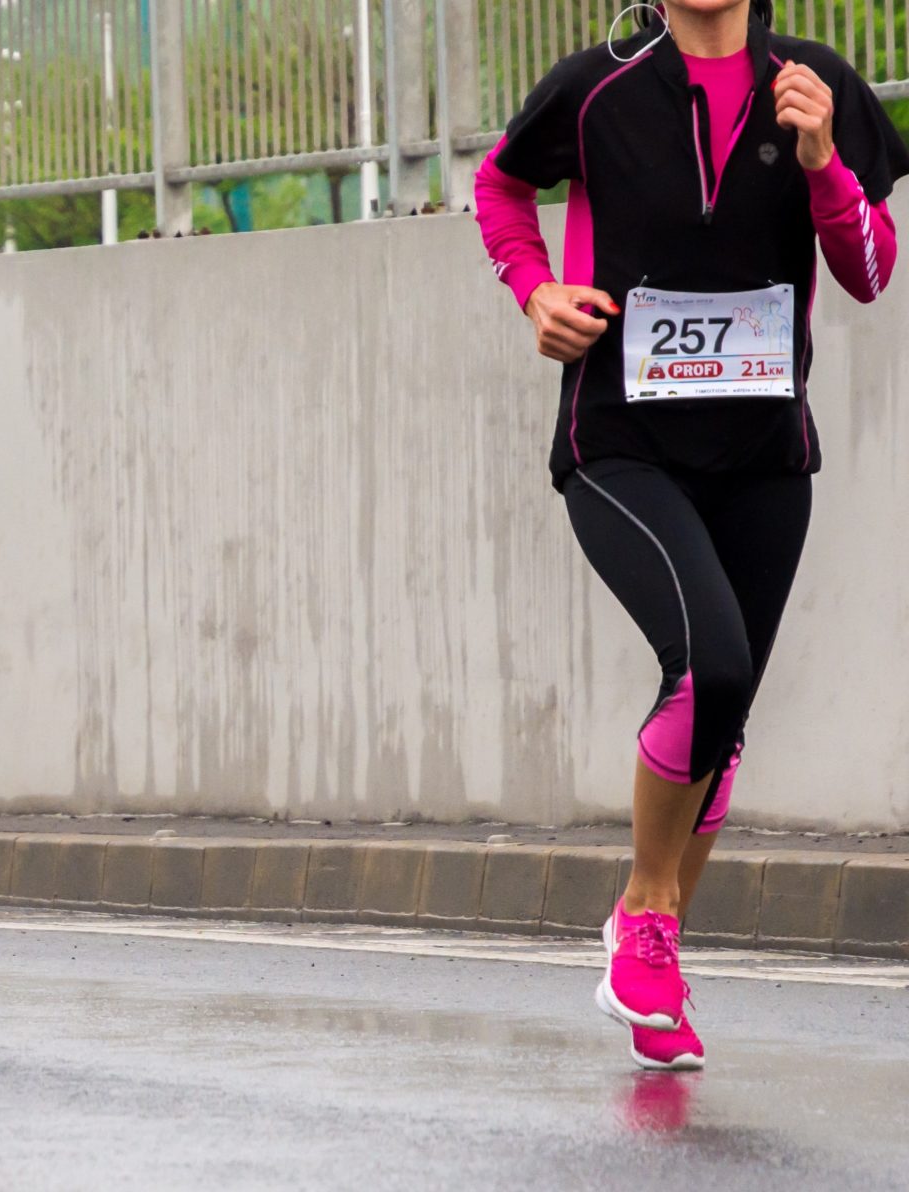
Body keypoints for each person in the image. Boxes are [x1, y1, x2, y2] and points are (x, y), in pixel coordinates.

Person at [476, 0, 905, 1070]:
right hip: (620, 444)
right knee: (706, 664)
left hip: (764, 457)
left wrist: (821, 163)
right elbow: (498, 184)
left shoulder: (821, 83)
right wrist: (535, 293)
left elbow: (868, 268)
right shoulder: (594, 87)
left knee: (727, 710)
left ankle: (649, 939)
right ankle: (645, 915)